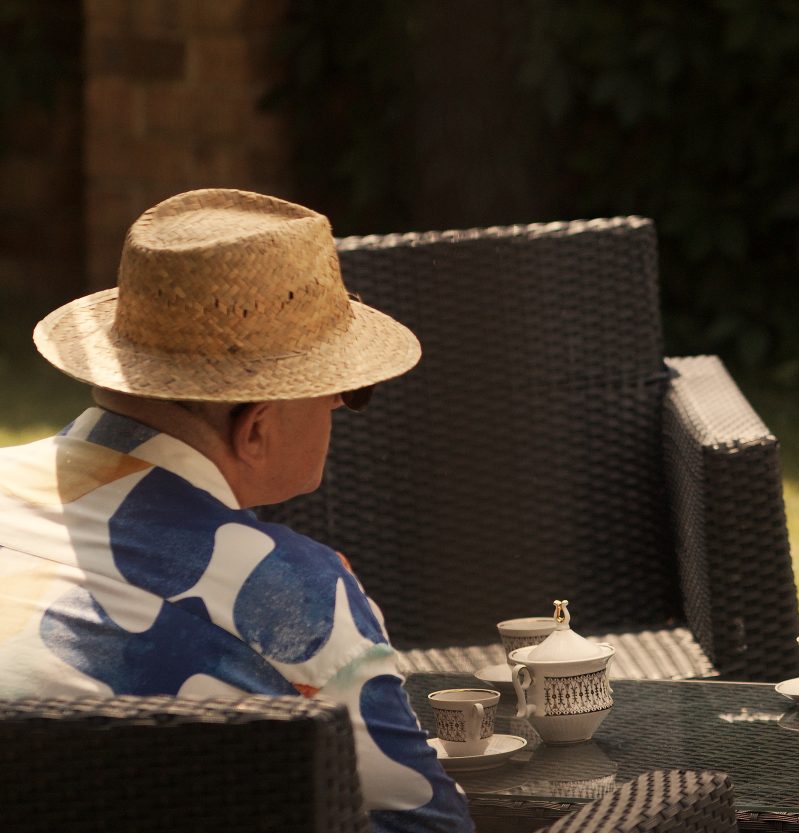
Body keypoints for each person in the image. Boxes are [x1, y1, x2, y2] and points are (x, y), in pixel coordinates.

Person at [0, 189, 473, 832]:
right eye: (341, 387)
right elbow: (431, 827)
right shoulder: (292, 601)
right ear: (255, 429)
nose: (341, 405)